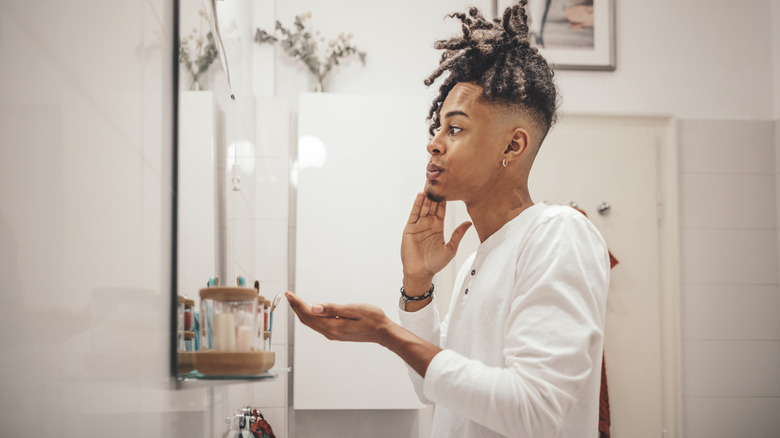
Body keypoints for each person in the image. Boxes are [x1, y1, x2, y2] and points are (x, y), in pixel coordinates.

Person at [285, 2, 610, 437]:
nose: (433, 144)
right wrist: (417, 286)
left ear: (512, 147)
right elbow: (433, 389)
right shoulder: (478, 259)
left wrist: (387, 333)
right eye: (437, 128)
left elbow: (533, 410)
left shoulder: (559, 234)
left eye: (454, 129)